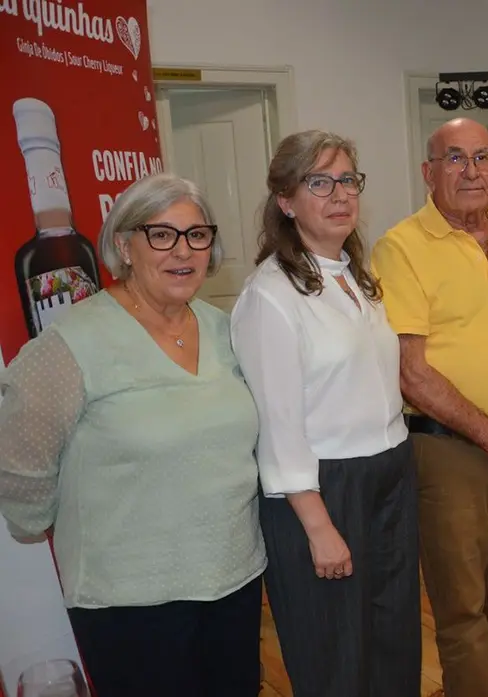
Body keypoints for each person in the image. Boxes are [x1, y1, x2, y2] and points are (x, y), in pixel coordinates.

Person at [0, 173, 266, 696]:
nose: (182, 251)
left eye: (197, 235)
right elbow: (19, 460)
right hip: (129, 601)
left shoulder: (224, 329)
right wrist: (34, 522)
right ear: (124, 246)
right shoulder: (74, 342)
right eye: (161, 235)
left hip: (233, 580)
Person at [371, 117, 488, 697]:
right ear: (429, 172)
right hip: (449, 452)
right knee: (462, 608)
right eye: (455, 158)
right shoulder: (400, 247)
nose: (471, 171)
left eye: (482, 158)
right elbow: (412, 372)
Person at [230, 130, 418, 696]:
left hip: (388, 470)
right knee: (335, 655)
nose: (340, 195)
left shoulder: (355, 275)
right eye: (320, 182)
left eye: (347, 181)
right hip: (322, 489)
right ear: (286, 200)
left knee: (393, 638)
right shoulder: (271, 296)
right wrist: (318, 526)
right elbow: (278, 425)